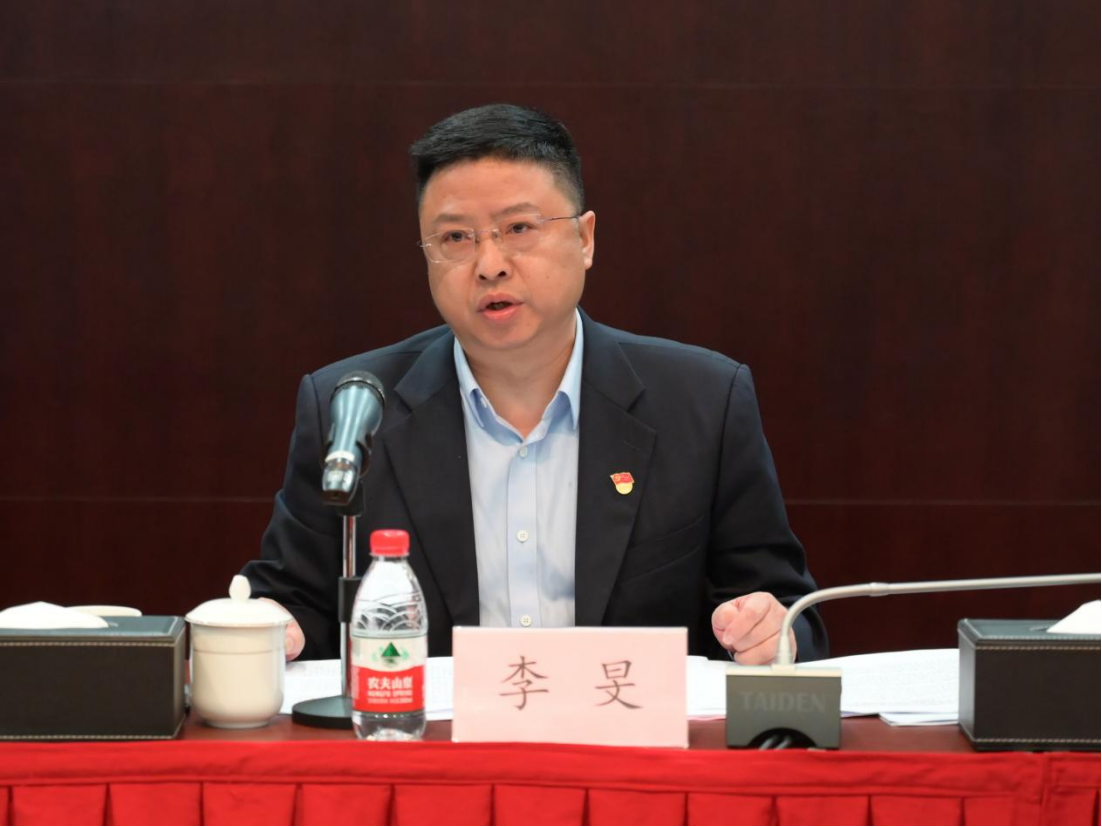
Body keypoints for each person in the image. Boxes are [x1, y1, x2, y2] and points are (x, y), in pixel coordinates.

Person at [243, 104, 827, 665]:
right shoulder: (353, 406)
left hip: (628, 731)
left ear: (585, 239)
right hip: (432, 732)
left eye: (518, 228)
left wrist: (769, 631)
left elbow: (790, 611)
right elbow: (295, 603)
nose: (489, 264)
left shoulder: (703, 402)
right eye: (455, 239)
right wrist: (272, 625)